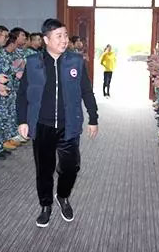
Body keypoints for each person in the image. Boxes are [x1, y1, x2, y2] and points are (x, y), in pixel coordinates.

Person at [16, 18, 99, 228]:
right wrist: (22, 120)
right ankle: (45, 206)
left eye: (65, 35)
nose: (64, 40)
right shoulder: (33, 62)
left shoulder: (76, 61)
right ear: (46, 39)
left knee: (71, 167)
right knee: (44, 170)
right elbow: (22, 94)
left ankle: (62, 195)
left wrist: (93, 117)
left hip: (68, 125)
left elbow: (86, 91)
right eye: (59, 36)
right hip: (42, 126)